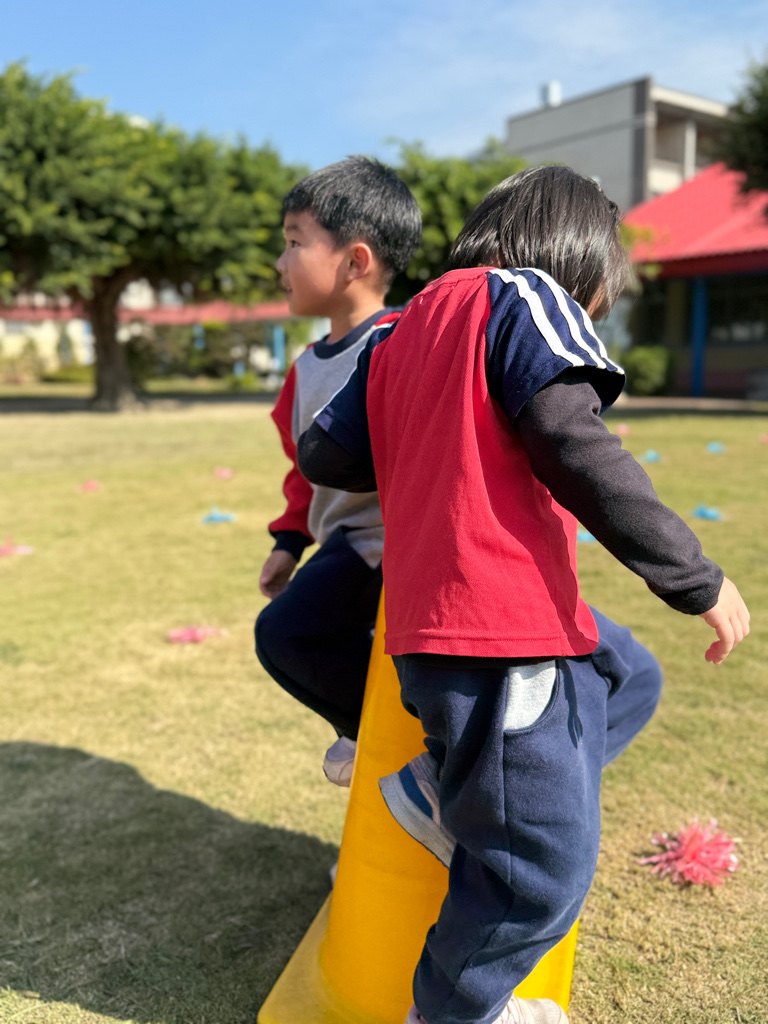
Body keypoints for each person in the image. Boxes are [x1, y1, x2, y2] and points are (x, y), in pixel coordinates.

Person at [297, 166, 750, 1024]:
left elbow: (326, 453)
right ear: (573, 255)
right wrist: (695, 576)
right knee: (540, 872)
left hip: (441, 630)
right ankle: (457, 1009)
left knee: (631, 675)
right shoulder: (527, 294)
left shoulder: (403, 327)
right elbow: (573, 438)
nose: (590, 316)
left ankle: (448, 790)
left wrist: (427, 430)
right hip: (503, 636)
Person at [255, 156, 422, 786]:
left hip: (393, 549)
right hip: (343, 545)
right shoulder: (304, 369)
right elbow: (302, 472)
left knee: (287, 633)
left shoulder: (409, 340)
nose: (280, 263)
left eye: (294, 242)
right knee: (291, 635)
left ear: (355, 261)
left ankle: (392, 734)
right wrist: (288, 541)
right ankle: (384, 733)